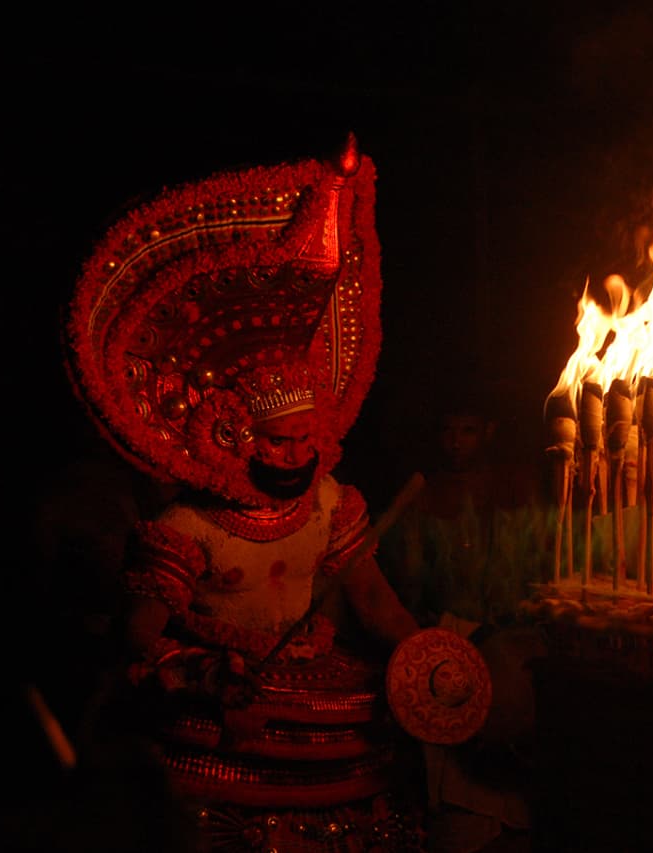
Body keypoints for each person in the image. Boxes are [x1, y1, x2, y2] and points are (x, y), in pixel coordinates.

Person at [63, 135, 490, 853]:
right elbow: (139, 629)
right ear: (235, 436)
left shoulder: (328, 504)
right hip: (219, 713)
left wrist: (430, 655)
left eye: (304, 440)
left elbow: (374, 601)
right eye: (278, 442)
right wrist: (197, 669)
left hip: (318, 710)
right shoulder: (190, 524)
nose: (295, 456)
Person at [377, 394, 548, 853]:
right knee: (458, 782)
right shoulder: (425, 494)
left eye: (467, 430)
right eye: (449, 431)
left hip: (515, 643)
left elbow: (537, 559)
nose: (456, 442)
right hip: (451, 643)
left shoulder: (516, 487)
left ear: (488, 431)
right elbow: (409, 576)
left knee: (513, 780)